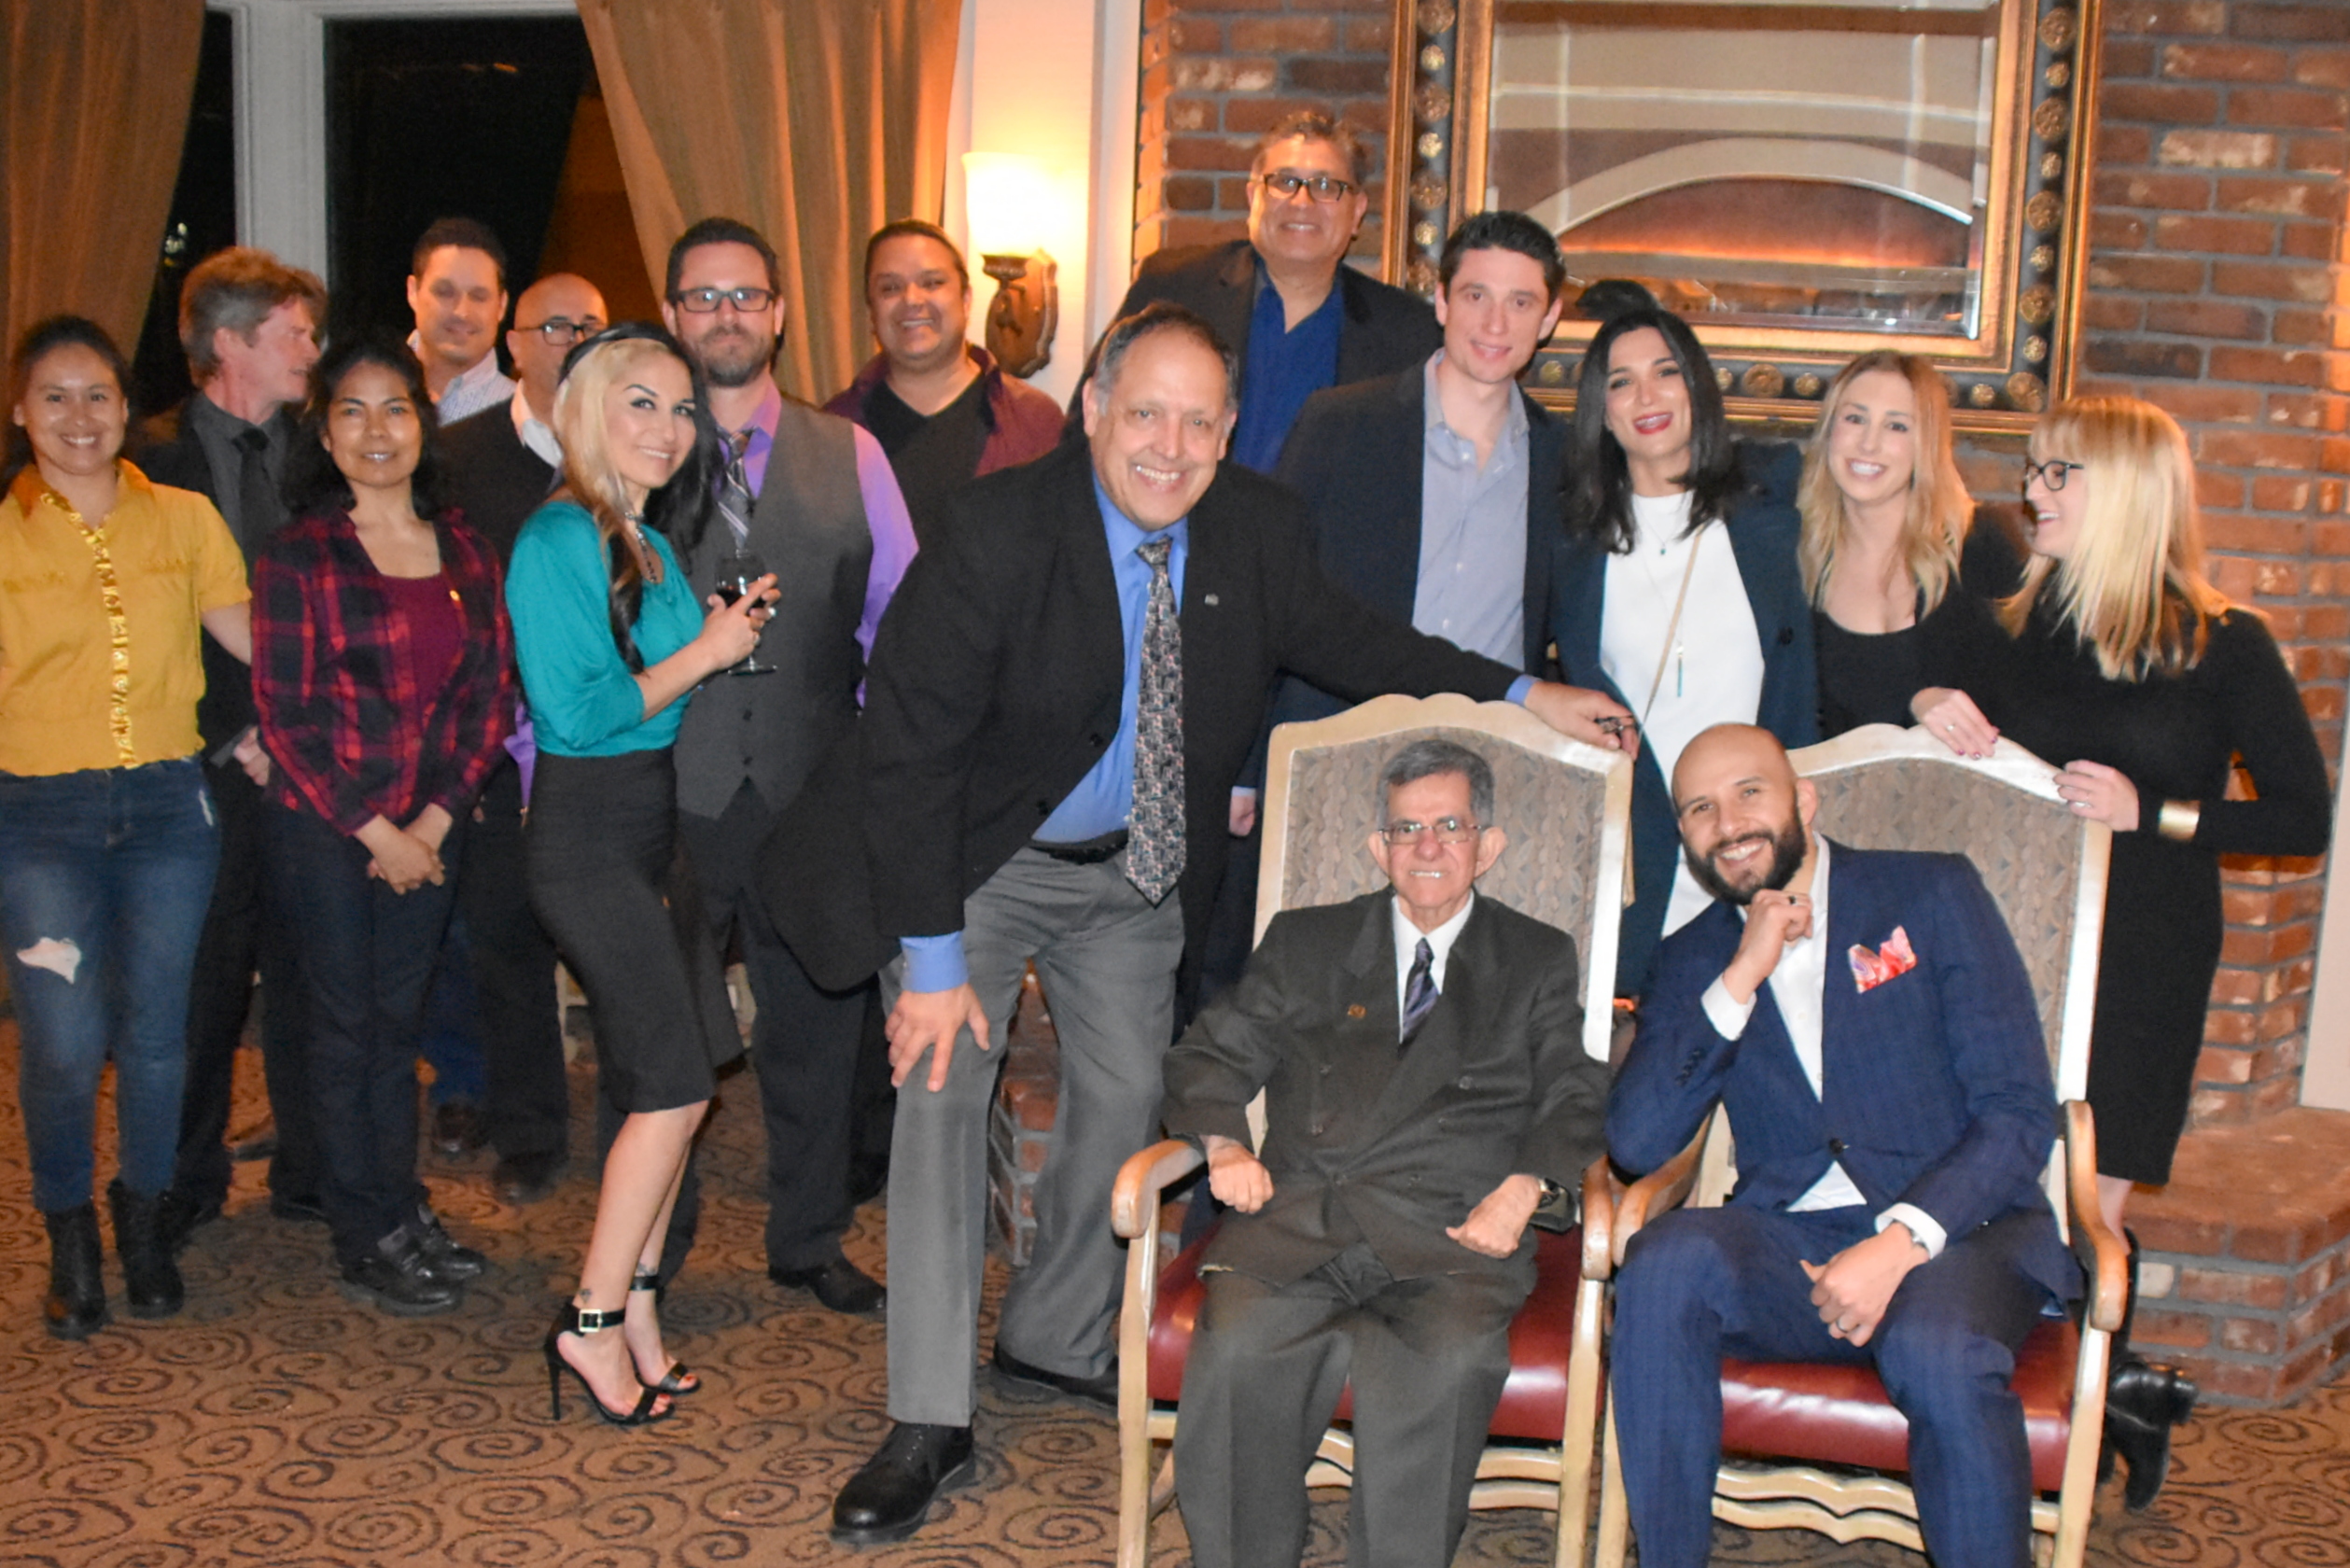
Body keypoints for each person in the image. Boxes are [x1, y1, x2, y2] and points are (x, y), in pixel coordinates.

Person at [782, 301, 1630, 1546]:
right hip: (976, 858)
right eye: (1144, 415)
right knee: (943, 1085)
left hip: (1133, 877)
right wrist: (931, 964)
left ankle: (1054, 1334)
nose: (1169, 448)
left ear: (1229, 431)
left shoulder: (1256, 529)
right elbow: (908, 752)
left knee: (1132, 1093)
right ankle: (927, 1415)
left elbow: (1360, 642)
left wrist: (1518, 688)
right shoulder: (993, 530)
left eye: (1197, 423)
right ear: (1092, 410)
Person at [1608, 722, 2081, 1568]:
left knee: (1936, 1350)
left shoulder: (1928, 893)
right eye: (1701, 809)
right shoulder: (1693, 959)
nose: (1729, 824)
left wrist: (1900, 1242)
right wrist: (1739, 978)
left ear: (1804, 800)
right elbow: (1638, 1144)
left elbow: (2016, 1110)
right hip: (1792, 1243)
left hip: (1961, 1233)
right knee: (1663, 1263)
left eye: (1750, 793)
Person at [1982, 396, 2330, 1504]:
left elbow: (2302, 818)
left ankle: (2071, 1428)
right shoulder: (2015, 623)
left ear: (2128, 490)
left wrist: (2158, 812)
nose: (2031, 491)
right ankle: (2102, 1398)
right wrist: (1939, 699)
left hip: (2145, 949)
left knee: (2089, 1206)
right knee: (1999, 1186)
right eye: (2032, 470)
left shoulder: (2222, 642)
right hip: (2016, 934)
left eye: (2058, 473)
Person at [1161, 738, 1609, 1568]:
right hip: (1302, 1222)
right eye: (1407, 829)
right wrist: (1225, 1145)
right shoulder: (1307, 941)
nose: (1428, 847)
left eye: (1450, 826)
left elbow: (1574, 1090)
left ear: (1488, 845)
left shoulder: (1534, 956)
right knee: (1237, 1349)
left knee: (1447, 1365)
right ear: (1379, 847)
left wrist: (1523, 1188)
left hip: (1451, 1237)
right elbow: (1208, 1055)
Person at [505, 323, 770, 1423]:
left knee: (685, 1077)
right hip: (585, 839)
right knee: (670, 1090)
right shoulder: (558, 536)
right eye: (641, 404)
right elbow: (579, 716)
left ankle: (641, 1310)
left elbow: (651, 685)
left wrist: (708, 633)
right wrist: (705, 654)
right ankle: (591, 1322)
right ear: (586, 412)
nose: (668, 429)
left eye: (681, 409)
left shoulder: (645, 539)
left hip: (652, 832)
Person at [651, 217, 916, 1314]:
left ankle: (807, 1237)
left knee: (815, 1029)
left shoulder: (851, 453)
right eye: (703, 297)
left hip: (809, 790)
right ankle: (651, 1244)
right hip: (672, 786)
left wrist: (874, 762)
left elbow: (901, 622)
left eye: (744, 296)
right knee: (663, 1033)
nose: (725, 315)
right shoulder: (633, 450)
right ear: (672, 314)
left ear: (778, 314)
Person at [1210, 212, 1573, 1002]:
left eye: (1520, 302)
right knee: (1297, 989)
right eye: (1475, 295)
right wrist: (1242, 767)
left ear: (1549, 319)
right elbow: (1264, 596)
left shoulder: (1564, 457)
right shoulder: (1343, 421)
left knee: (1442, 1006)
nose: (1495, 323)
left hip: (1478, 775)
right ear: (1440, 301)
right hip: (1332, 752)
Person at [0, 315, 252, 1337]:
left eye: (97, 394)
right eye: (54, 396)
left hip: (166, 811)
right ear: (20, 412)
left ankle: (143, 1220)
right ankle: (68, 1229)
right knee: (64, 1042)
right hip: (38, 815)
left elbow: (257, 641)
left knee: (158, 1036)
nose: (79, 416)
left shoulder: (184, 519)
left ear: (125, 406)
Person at [251, 337, 512, 1315]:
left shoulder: (466, 547)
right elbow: (286, 717)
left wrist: (433, 823)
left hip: (431, 826)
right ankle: (365, 1230)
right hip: (329, 832)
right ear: (324, 434)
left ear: (422, 424)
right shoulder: (300, 554)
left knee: (397, 1028)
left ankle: (401, 1207)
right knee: (346, 1028)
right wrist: (381, 834)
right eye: (351, 411)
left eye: (396, 408)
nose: (376, 430)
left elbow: (491, 699)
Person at [134, 246, 329, 1248]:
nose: (312, 351)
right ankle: (182, 1177)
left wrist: (295, 730)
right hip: (199, 764)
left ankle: (313, 1170)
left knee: (311, 972)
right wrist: (238, 731)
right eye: (293, 334)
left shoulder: (326, 455)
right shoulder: (144, 461)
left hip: (316, 763)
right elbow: (140, 624)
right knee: (199, 985)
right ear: (229, 342)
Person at [1546, 301, 1814, 997]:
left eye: (1666, 372)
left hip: (1767, 847)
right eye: (1622, 382)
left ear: (1696, 386)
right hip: (1645, 857)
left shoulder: (1773, 511)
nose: (1648, 396)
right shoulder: (1571, 549)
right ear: (1602, 413)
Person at [437, 270, 608, 1206]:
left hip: (614, 738)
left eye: (590, 325)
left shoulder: (631, 440)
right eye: (554, 326)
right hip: (497, 744)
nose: (573, 340)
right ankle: (530, 1132)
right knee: (507, 942)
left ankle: (636, 1122)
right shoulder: (457, 455)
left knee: (615, 940)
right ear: (513, 345)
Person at [1103, 110, 1438, 470]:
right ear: (1253, 199)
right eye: (1284, 182)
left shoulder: (1408, 334)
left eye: (1326, 186)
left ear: (1357, 212)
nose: (1302, 202)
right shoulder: (1173, 288)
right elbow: (1093, 428)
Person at [1795, 352, 2024, 742]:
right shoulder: (1791, 548)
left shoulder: (1979, 545)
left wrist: (1930, 706)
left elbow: (2027, 698)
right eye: (1855, 419)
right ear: (1829, 429)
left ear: (1926, 446)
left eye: (1897, 426)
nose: (1869, 443)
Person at [824, 218, 1064, 540]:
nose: (911, 299)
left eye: (932, 283)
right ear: (871, 312)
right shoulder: (832, 431)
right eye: (890, 288)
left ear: (966, 300)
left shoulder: (1035, 421)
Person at [407, 217, 516, 423]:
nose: (462, 312)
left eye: (479, 297)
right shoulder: (362, 392)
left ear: (502, 305)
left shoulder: (524, 419)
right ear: (413, 292)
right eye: (445, 292)